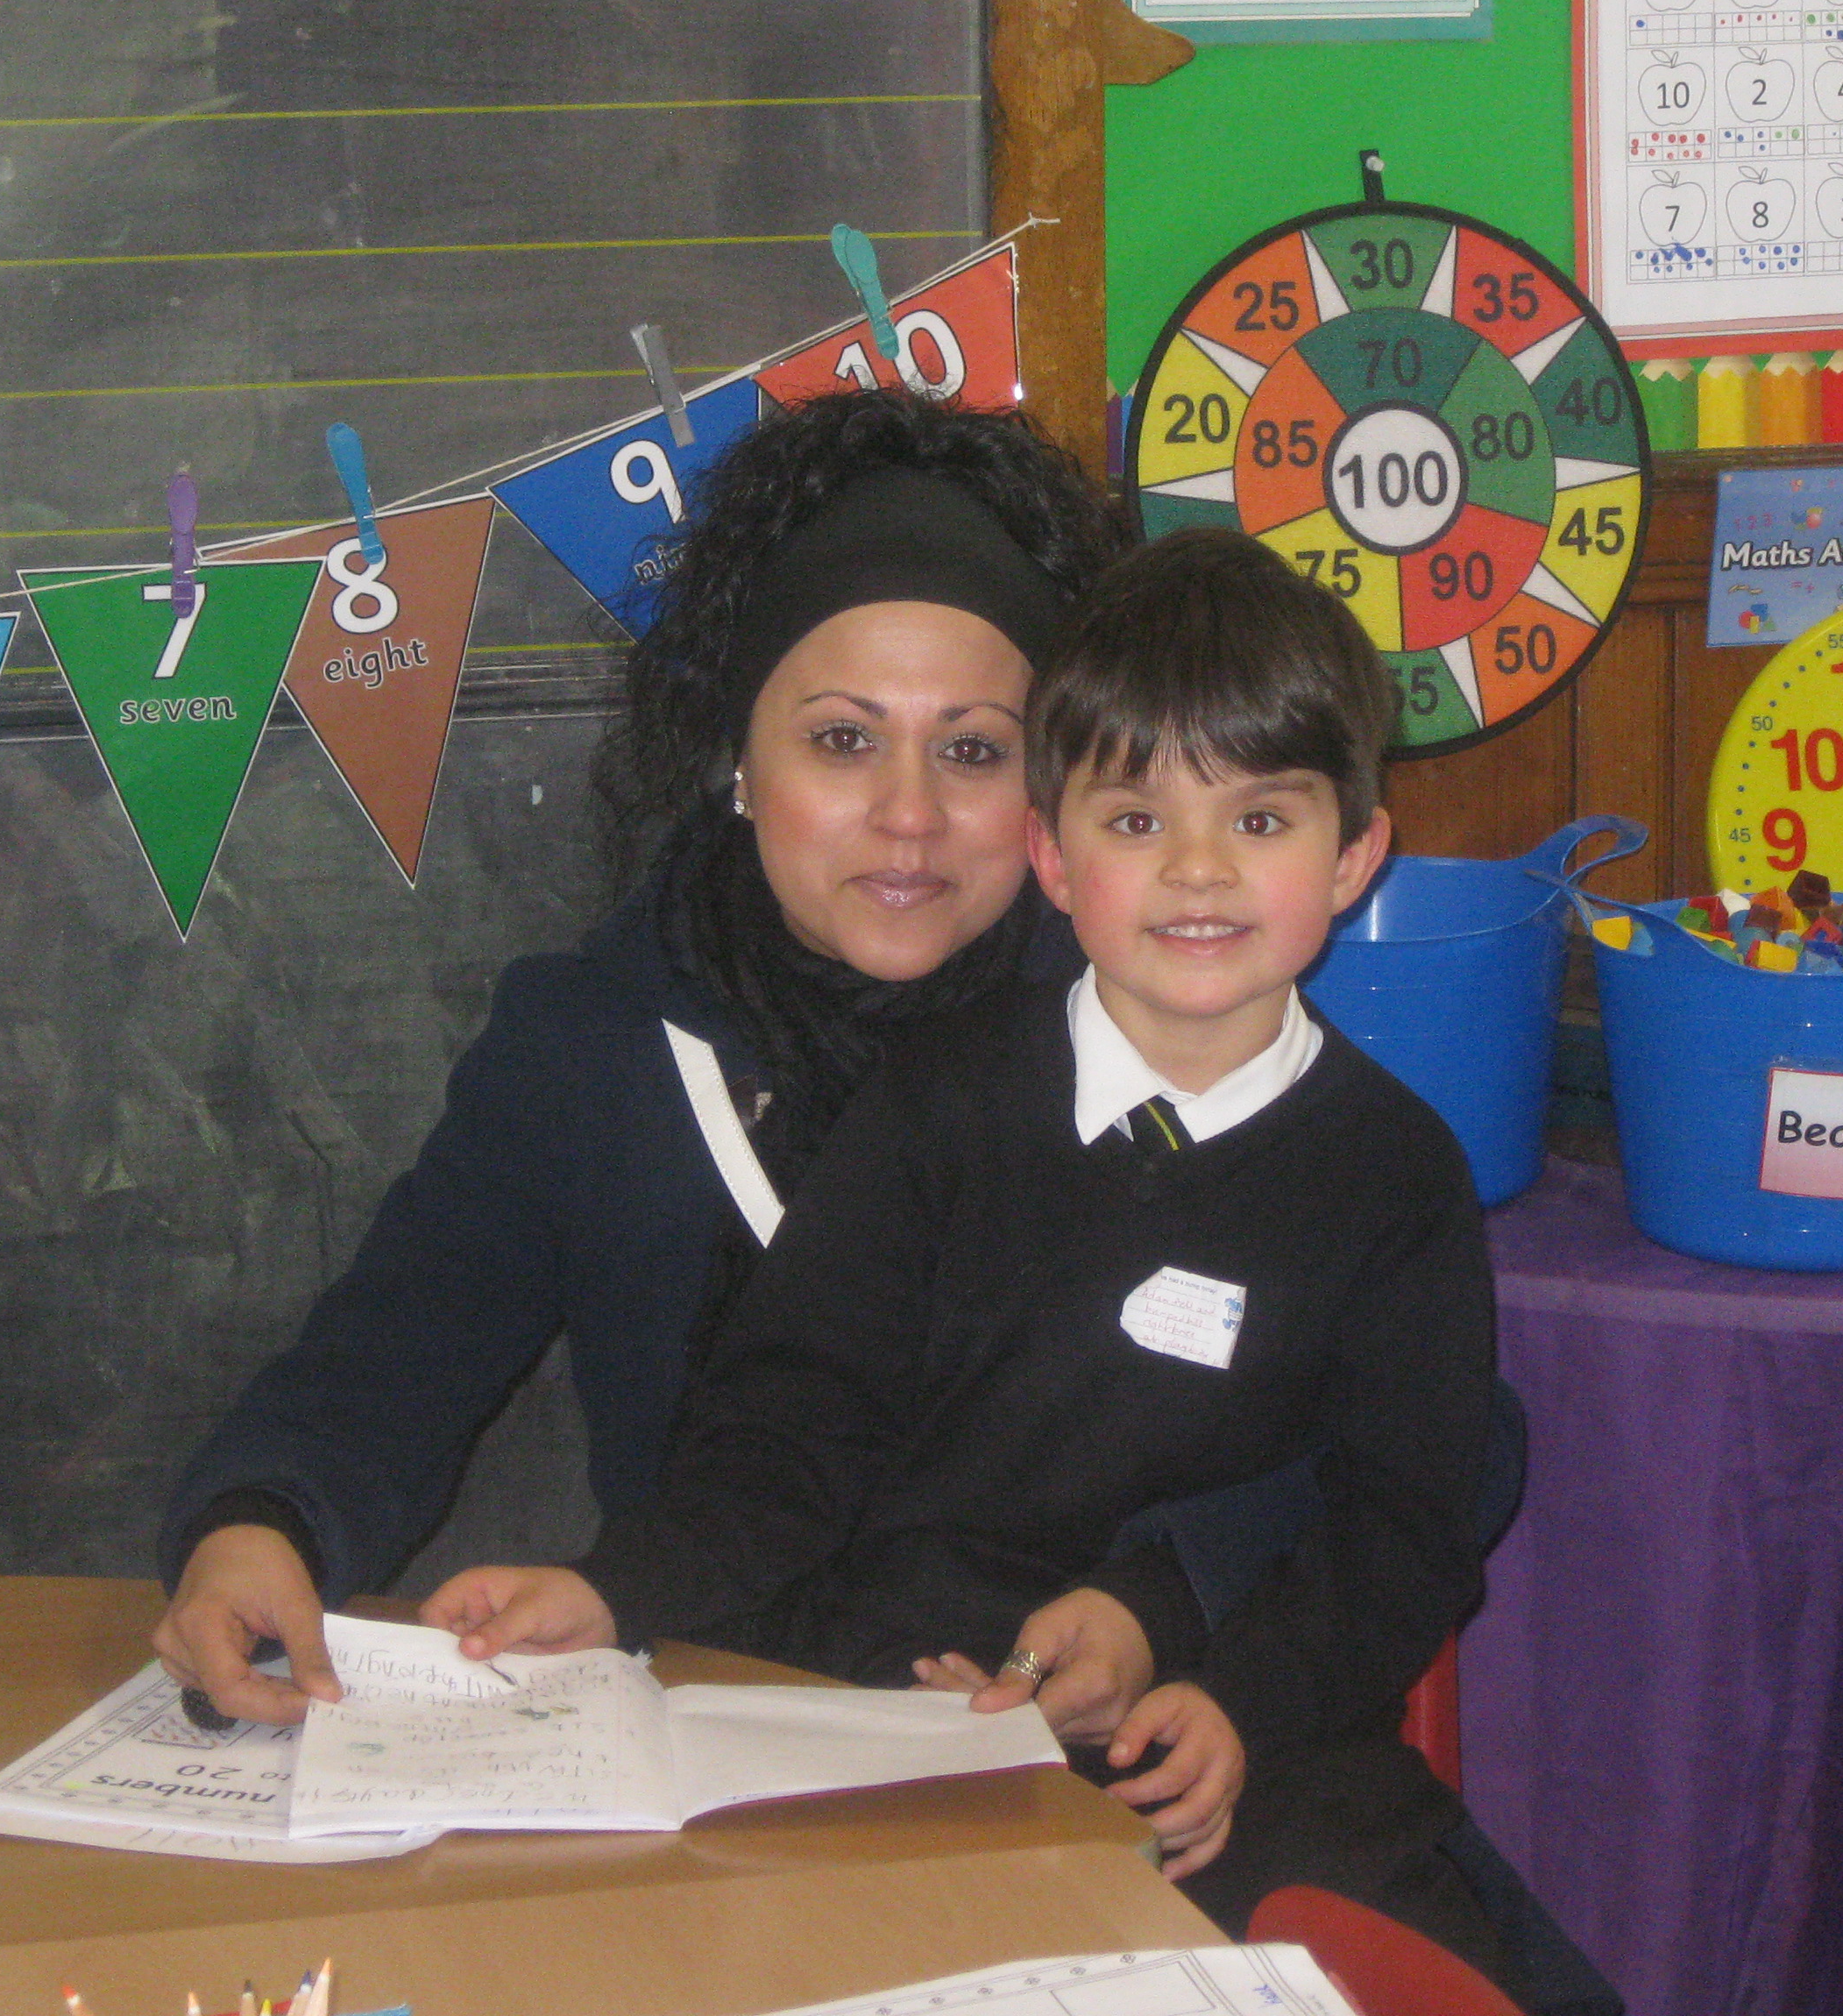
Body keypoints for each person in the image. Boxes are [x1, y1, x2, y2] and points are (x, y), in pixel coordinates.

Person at [421, 528, 1525, 1991]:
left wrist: (1232, 1702)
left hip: (1206, 1732)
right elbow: (791, 1417)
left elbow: (1405, 1517)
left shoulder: (1393, 1175)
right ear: (1056, 859)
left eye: (1262, 821)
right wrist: (617, 1589)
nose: (1199, 872)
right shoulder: (940, 1098)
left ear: (1358, 854)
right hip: (896, 1705)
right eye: (1137, 824)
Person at [151, 386, 1178, 1732]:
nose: (910, 816)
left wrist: (1158, 1606)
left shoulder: (1159, 1024)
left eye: (975, 751)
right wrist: (258, 1521)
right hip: (704, 1741)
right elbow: (400, 1348)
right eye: (843, 740)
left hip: (1076, 1757)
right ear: (736, 759)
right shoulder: (596, 1045)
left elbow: (1316, 1416)